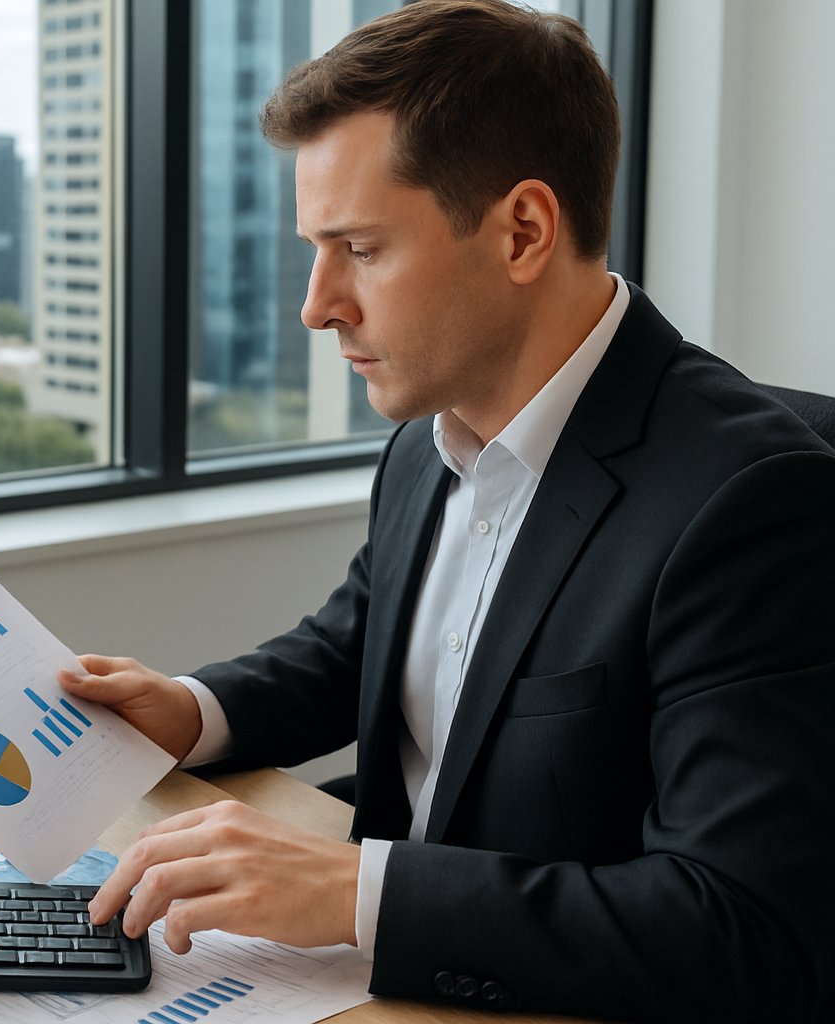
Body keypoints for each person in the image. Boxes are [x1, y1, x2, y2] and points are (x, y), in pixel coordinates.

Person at [57, 1, 835, 1020]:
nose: (317, 304)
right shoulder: (429, 438)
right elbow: (357, 646)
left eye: (361, 250)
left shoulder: (752, 505)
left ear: (522, 231)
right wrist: (195, 710)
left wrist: (356, 892)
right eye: (314, 249)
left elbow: (742, 923)